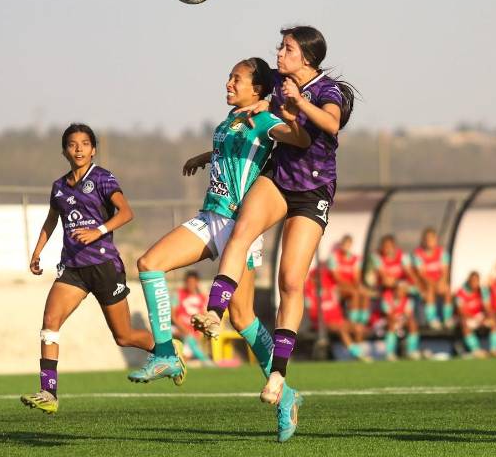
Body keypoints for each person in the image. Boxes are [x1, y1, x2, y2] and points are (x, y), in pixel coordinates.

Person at [193, 26, 356, 442]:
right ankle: (215, 310)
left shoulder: (327, 89)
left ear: (307, 57)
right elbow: (264, 115)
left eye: (287, 49)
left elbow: (331, 126)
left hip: (313, 190)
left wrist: (299, 102)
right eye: (280, 48)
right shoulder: (283, 86)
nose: (279, 54)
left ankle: (279, 379)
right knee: (241, 232)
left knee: (289, 282)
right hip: (280, 178)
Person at [128, 57, 310, 383]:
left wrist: (292, 118)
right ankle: (167, 354)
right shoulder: (232, 117)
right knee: (149, 263)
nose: (228, 83)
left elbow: (297, 139)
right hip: (211, 216)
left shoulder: (264, 118)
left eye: (236, 79)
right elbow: (233, 149)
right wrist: (205, 157)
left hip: (239, 226)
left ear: (257, 89)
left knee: (242, 319)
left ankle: (283, 392)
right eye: (229, 77)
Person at [20, 124, 158, 414]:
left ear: (93, 149)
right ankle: (49, 392)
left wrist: (98, 230)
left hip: (104, 265)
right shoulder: (59, 187)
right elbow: (51, 220)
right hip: (73, 268)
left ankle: (168, 350)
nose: (79, 148)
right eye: (72, 144)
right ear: (64, 151)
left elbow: (126, 212)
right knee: (49, 322)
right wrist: (37, 251)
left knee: (124, 336)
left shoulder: (103, 178)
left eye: (85, 143)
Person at [304, 264, 369, 361]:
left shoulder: (331, 288)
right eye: (317, 277)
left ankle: (357, 351)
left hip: (338, 320)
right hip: (322, 323)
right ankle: (357, 355)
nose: (320, 279)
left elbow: (346, 291)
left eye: (321, 277)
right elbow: (309, 310)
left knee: (358, 328)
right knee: (341, 329)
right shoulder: (309, 291)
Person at [327, 234, 370, 343]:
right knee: (355, 294)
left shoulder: (355, 258)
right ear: (341, 245)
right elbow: (337, 278)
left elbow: (356, 277)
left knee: (364, 294)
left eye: (348, 245)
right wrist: (353, 288)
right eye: (344, 245)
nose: (346, 247)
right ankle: (353, 322)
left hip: (350, 287)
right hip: (338, 288)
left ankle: (362, 322)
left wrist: (359, 287)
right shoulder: (334, 257)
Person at [413, 228, 453, 330]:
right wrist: (433, 284)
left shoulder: (442, 253)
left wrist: (441, 282)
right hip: (424, 284)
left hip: (438, 282)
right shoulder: (418, 254)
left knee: (446, 290)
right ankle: (432, 319)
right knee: (429, 290)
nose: (430, 242)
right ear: (423, 240)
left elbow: (445, 271)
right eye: (427, 239)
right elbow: (421, 274)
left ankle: (447, 318)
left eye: (432, 239)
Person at [455, 271, 496, 358]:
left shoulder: (483, 291)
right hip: (468, 318)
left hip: (480, 316)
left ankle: (494, 350)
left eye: (477, 281)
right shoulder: (461, 292)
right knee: (464, 324)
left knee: (494, 321)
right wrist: (475, 319)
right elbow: (461, 311)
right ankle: (476, 350)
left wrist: (487, 316)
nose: (475, 283)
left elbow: (487, 307)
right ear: (469, 281)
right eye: (473, 281)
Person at [171, 271, 212, 364]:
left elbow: (204, 317)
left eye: (193, 282)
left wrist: (200, 331)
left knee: (186, 355)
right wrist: (182, 328)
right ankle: (207, 362)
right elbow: (173, 316)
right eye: (189, 282)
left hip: (193, 331)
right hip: (176, 327)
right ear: (185, 282)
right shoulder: (178, 294)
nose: (191, 285)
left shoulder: (202, 298)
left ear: (197, 282)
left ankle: (200, 361)